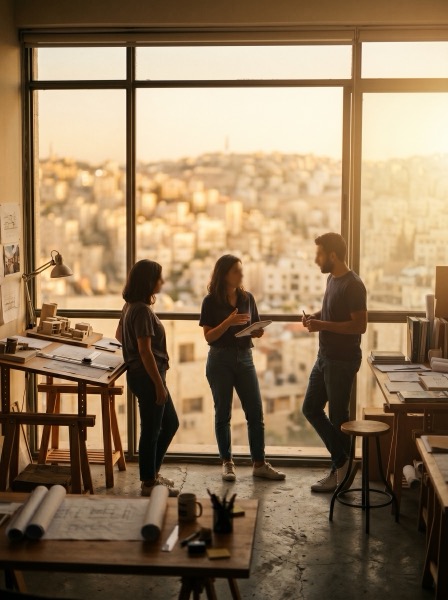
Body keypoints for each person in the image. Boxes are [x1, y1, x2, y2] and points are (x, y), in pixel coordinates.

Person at [200, 254, 285, 482]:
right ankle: (227, 462)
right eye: (236, 270)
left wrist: (257, 331)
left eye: (241, 270)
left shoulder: (247, 297)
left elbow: (253, 325)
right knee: (223, 413)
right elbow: (209, 337)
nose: (241, 274)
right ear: (224, 274)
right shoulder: (210, 301)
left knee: (255, 412)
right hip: (220, 360)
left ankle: (259, 463)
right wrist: (227, 322)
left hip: (245, 357)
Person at [302, 232, 367, 493]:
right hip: (325, 356)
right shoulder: (332, 279)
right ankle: (342, 463)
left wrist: (321, 325)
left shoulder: (354, 285)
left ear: (332, 255)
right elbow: (331, 312)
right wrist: (314, 318)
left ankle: (339, 472)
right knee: (310, 408)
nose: (316, 259)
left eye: (319, 254)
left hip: (341, 360)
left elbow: (360, 325)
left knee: (339, 417)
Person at [115, 259, 179, 497]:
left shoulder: (130, 306)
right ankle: (149, 483)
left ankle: (151, 474)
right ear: (148, 281)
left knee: (169, 423)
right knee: (151, 430)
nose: (162, 282)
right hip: (149, 378)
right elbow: (145, 351)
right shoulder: (141, 310)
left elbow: (119, 335)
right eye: (159, 278)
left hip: (144, 376)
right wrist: (159, 385)